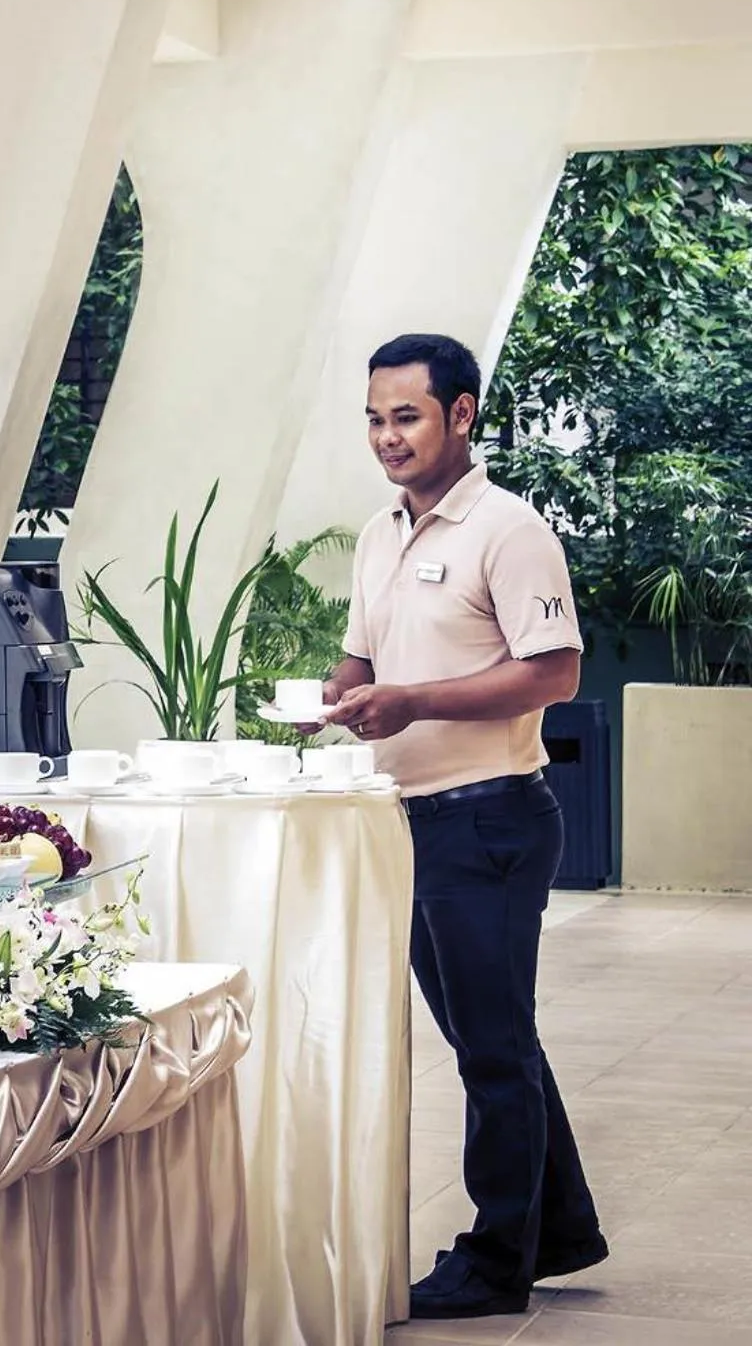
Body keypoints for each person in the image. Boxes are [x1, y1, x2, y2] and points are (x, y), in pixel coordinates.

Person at [317, 332, 606, 1321]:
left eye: (405, 416)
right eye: (373, 417)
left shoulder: (505, 529)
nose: (386, 437)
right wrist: (341, 691)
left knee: (490, 1047)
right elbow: (361, 659)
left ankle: (493, 1263)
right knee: (492, 1041)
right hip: (403, 822)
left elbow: (552, 671)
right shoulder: (376, 534)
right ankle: (557, 1228)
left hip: (487, 821)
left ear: (460, 416)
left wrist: (412, 702)